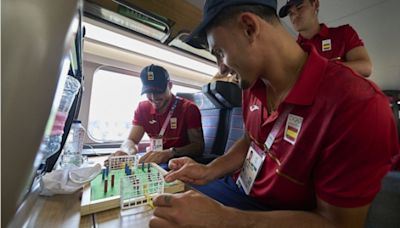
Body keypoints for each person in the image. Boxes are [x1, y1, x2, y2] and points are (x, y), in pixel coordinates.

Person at [149, 0, 399, 227]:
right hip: (239, 189)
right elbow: (250, 139)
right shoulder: (252, 84)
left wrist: (224, 219)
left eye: (219, 53)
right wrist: (209, 170)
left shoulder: (358, 105)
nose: (221, 68)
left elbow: (338, 224)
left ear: (249, 27)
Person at [114, 64, 204, 164]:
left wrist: (170, 153)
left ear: (170, 86)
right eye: (149, 92)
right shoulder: (142, 109)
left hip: (179, 162)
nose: (153, 97)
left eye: (158, 92)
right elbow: (131, 140)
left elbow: (198, 147)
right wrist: (127, 151)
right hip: (154, 161)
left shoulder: (189, 109)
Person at [279, 0, 372, 77]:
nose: (294, 15)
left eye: (299, 7)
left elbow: (366, 67)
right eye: (290, 13)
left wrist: (324, 68)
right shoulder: (291, 51)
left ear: (315, 4)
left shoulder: (343, 33)